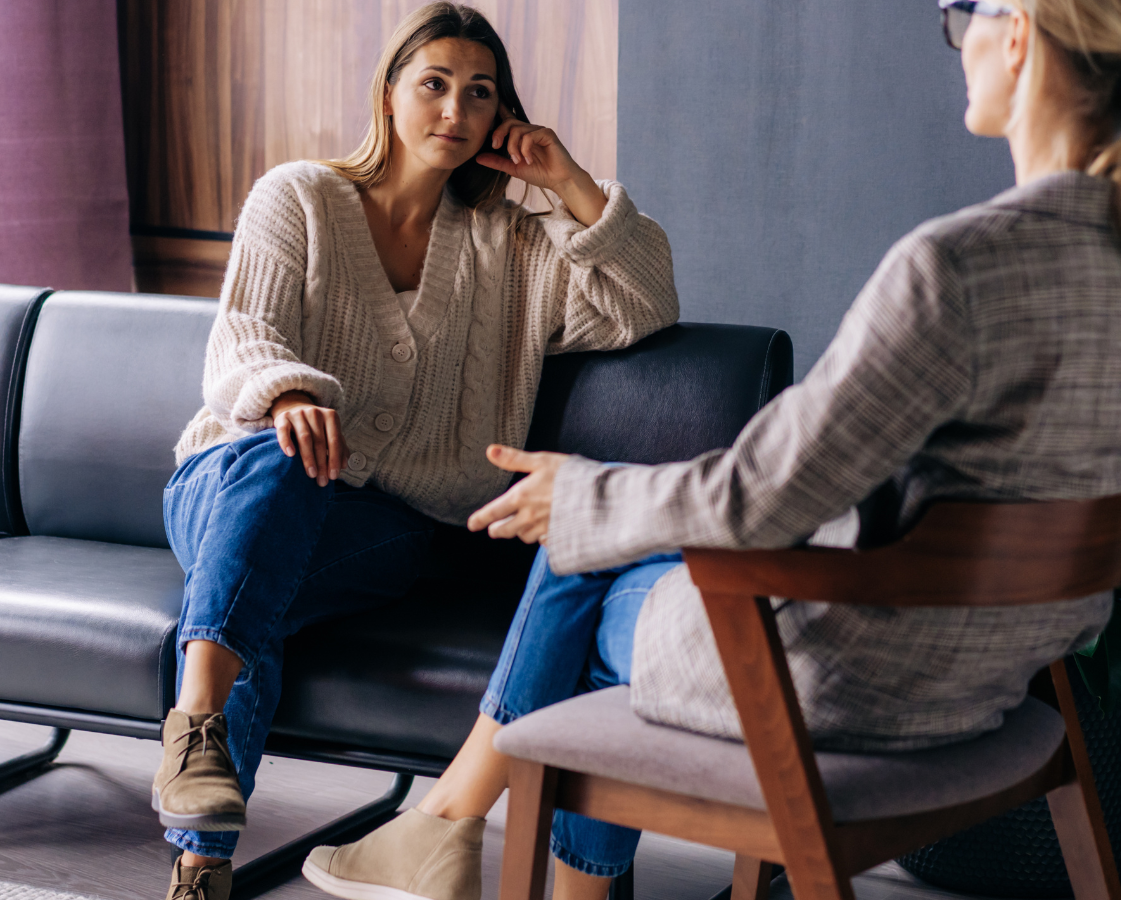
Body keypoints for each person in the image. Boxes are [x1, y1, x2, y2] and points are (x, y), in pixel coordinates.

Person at [304, 1, 1121, 899]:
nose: (956, 38)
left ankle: (445, 827)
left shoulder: (962, 266)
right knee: (605, 534)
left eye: (962, 12)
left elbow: (764, 497)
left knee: (586, 558)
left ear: (1017, 38)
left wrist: (583, 498)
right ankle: (457, 835)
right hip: (1002, 675)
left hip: (851, 681)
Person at [152, 3, 678, 898]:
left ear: (501, 117)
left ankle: (201, 862)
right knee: (280, 476)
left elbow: (644, 303)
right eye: (433, 83)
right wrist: (289, 393)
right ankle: (198, 720)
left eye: (480, 93)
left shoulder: (513, 244)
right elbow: (243, 334)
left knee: (260, 588)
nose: (456, 109)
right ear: (388, 95)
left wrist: (569, 179)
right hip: (233, 478)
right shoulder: (300, 195)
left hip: (387, 525)